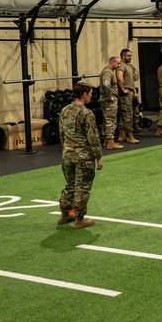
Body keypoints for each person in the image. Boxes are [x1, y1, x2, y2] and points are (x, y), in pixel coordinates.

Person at [57, 82, 103, 230]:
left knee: (70, 185)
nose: (91, 97)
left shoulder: (64, 110)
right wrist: (98, 157)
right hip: (83, 157)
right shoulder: (86, 113)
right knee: (82, 187)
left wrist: (66, 150)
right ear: (84, 95)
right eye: (90, 94)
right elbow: (93, 137)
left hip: (67, 155)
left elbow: (62, 134)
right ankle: (79, 219)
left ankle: (64, 214)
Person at [116, 49, 140, 144]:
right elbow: (119, 77)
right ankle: (130, 136)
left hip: (129, 92)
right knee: (128, 115)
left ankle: (122, 135)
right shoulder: (121, 65)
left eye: (131, 55)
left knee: (124, 115)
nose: (130, 57)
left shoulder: (128, 66)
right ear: (123, 56)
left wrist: (134, 92)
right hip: (125, 94)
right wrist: (123, 89)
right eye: (128, 56)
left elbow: (131, 80)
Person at [99, 56, 123, 150]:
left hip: (107, 99)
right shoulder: (108, 71)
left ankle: (106, 141)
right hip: (109, 100)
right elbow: (106, 83)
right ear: (112, 62)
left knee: (107, 120)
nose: (119, 65)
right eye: (118, 63)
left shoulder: (109, 71)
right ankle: (110, 142)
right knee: (111, 120)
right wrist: (110, 96)